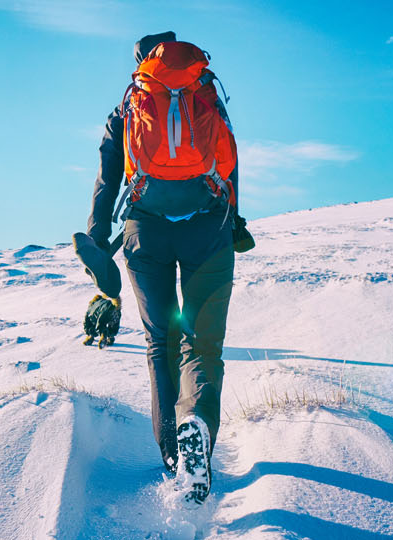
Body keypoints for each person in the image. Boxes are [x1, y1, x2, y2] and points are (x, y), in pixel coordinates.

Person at [86, 30, 238, 504]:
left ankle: (173, 457)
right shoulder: (205, 95)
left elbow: (105, 183)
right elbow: (231, 165)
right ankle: (197, 425)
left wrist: (96, 245)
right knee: (201, 343)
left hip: (143, 232)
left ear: (140, 65)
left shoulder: (128, 109)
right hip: (208, 228)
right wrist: (236, 221)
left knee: (160, 341)